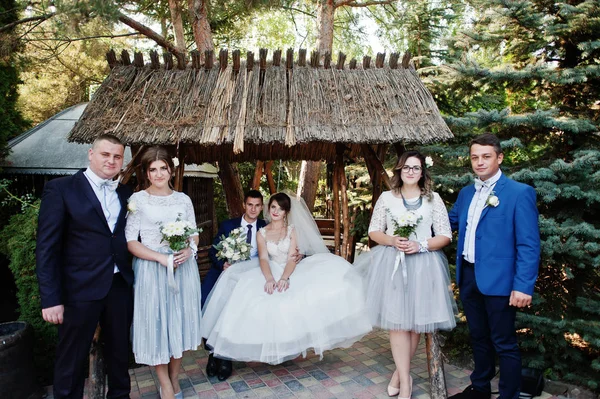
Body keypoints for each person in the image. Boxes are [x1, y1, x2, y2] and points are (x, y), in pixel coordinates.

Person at [200, 192, 372, 365]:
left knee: (301, 297)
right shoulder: (260, 231)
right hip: (257, 269)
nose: (276, 211)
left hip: (288, 270)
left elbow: (291, 257)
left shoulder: (290, 230)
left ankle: (286, 344)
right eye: (273, 207)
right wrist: (269, 278)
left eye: (280, 209)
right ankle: (220, 354)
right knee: (246, 298)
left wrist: (284, 277)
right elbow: (263, 259)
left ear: (285, 212)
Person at [36, 134, 133, 399]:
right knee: (71, 359)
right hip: (78, 290)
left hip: (118, 286)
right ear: (91, 154)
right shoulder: (62, 189)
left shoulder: (126, 193)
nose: (111, 161)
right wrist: (51, 299)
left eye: (117, 156)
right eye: (105, 154)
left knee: (119, 354)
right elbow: (46, 248)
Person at [355, 150, 456, 399]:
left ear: (423, 172)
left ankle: (400, 375)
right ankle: (407, 384)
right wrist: (392, 240)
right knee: (398, 324)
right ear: (399, 171)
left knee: (415, 326)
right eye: (406, 167)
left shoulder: (434, 199)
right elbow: (374, 231)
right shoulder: (387, 198)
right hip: (393, 263)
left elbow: (445, 235)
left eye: (416, 168)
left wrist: (420, 244)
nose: (411, 171)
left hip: (423, 264)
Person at [448, 133, 540, 399]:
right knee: (478, 336)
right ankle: (480, 388)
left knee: (504, 342)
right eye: (475, 157)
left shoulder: (519, 193)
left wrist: (523, 286)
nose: (480, 162)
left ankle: (508, 395)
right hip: (469, 275)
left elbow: (529, 245)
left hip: (500, 281)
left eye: (486, 156)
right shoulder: (467, 193)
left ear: (499, 158)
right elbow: (449, 224)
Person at [125, 146, 203, 399]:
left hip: (182, 270)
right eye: (153, 170)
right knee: (156, 325)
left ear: (171, 169)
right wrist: (160, 257)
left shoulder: (183, 199)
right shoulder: (137, 200)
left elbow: (193, 233)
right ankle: (164, 383)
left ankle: (174, 378)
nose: (159, 174)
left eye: (163, 168)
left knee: (178, 323)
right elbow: (130, 241)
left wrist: (190, 249)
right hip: (152, 269)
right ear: (147, 174)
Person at [201, 190, 267, 381]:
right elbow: (214, 251)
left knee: (234, 308)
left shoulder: (266, 227)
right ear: (244, 205)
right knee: (206, 302)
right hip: (225, 271)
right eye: (250, 205)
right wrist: (223, 263)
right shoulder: (228, 225)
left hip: (251, 275)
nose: (253, 209)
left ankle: (224, 358)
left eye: (257, 205)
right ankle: (212, 352)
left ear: (261, 207)